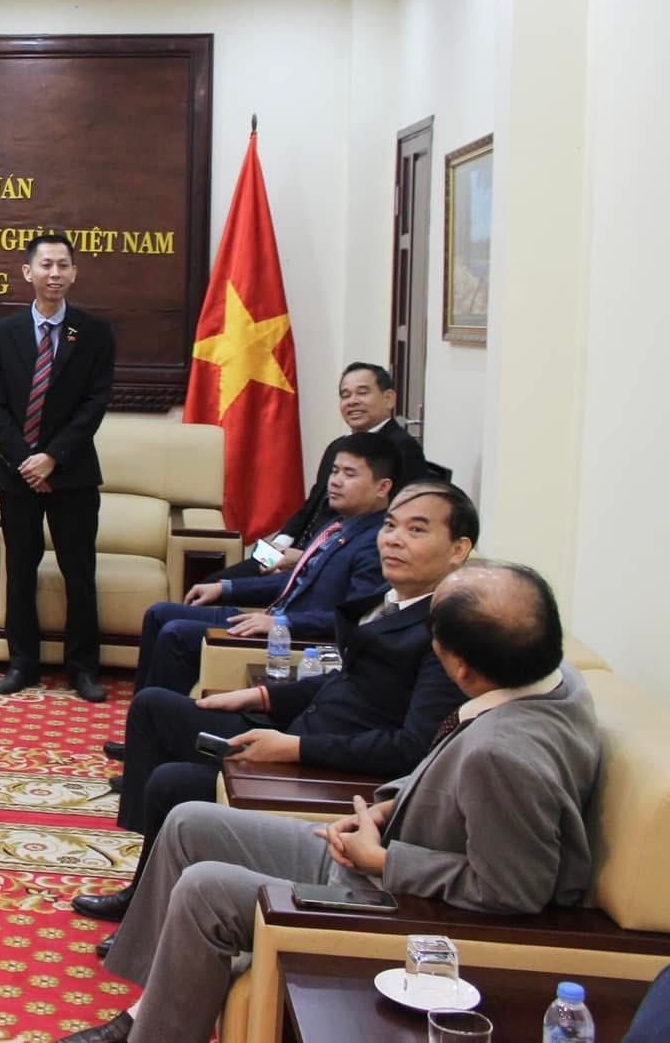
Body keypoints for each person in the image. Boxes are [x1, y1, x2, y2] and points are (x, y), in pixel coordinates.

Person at [55, 560, 602, 1043]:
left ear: (460, 668)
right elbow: (449, 776)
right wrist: (385, 812)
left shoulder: (502, 755)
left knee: (205, 889)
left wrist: (382, 860)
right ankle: (150, 1011)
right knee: (187, 823)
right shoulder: (551, 681)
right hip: (381, 850)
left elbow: (512, 891)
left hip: (398, 903)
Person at [76, 482, 477, 930]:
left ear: (458, 550)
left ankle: (146, 906)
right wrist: (261, 695)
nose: (395, 540)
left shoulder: (447, 635)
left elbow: (412, 750)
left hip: (333, 770)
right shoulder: (388, 600)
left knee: (172, 783)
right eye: (390, 526)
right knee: (154, 708)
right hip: (300, 729)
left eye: (416, 530)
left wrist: (294, 749)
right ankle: (146, 880)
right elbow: (346, 681)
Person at [123, 431, 395, 699]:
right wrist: (224, 588)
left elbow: (352, 620)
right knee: (159, 613)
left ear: (382, 487)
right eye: (334, 471)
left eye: (349, 474)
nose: (335, 481)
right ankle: (142, 717)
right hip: (273, 620)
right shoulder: (338, 526)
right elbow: (293, 581)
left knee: (177, 634)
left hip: (296, 639)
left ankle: (159, 722)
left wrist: (281, 622)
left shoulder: (374, 544)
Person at [0, 233, 117, 701]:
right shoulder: (3, 333)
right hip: (17, 473)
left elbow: (94, 404)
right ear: (28, 272)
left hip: (72, 473)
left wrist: (52, 457)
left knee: (79, 571)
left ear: (74, 272)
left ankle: (83, 668)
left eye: (63, 265)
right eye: (46, 265)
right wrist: (25, 460)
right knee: (20, 570)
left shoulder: (94, 333)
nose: (54, 273)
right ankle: (22, 662)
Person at [220, 362, 432, 582]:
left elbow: (385, 525)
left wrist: (305, 558)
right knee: (215, 581)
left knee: (221, 590)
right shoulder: (339, 446)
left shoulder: (401, 449)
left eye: (362, 392)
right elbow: (312, 505)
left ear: (389, 398)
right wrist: (281, 543)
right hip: (295, 553)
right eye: (345, 395)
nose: (352, 401)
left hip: (325, 566)